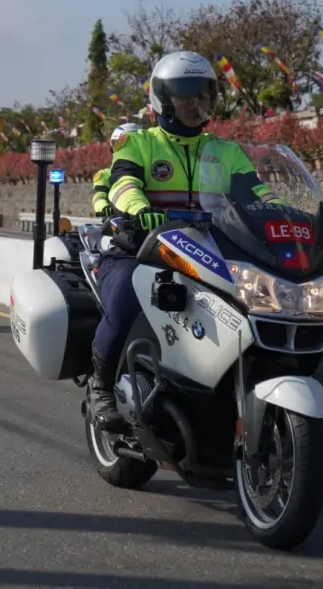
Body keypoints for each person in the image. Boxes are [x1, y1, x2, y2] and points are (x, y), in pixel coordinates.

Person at [89, 51, 282, 432]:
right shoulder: (140, 143)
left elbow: (255, 191)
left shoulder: (225, 152)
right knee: (128, 297)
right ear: (162, 100)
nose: (198, 104)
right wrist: (139, 208)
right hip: (143, 250)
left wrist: (284, 212)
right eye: (187, 96)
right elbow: (122, 181)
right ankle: (102, 388)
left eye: (204, 95)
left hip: (210, 256)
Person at [91, 123, 141, 216]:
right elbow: (99, 196)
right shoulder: (105, 175)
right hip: (120, 222)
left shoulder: (155, 172)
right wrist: (104, 207)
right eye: (120, 144)